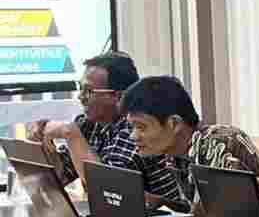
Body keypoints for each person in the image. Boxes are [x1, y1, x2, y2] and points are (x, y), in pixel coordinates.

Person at [25, 53, 184, 207]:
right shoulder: (88, 124)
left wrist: (69, 133)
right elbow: (60, 178)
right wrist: (42, 145)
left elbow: (107, 192)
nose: (80, 97)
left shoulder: (136, 128)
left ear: (119, 97)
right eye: (80, 89)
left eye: (88, 91)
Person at [120, 76, 259, 216]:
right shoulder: (175, 153)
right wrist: (160, 202)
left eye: (141, 127)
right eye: (132, 127)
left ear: (174, 123)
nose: (133, 136)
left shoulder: (218, 142)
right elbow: (200, 212)